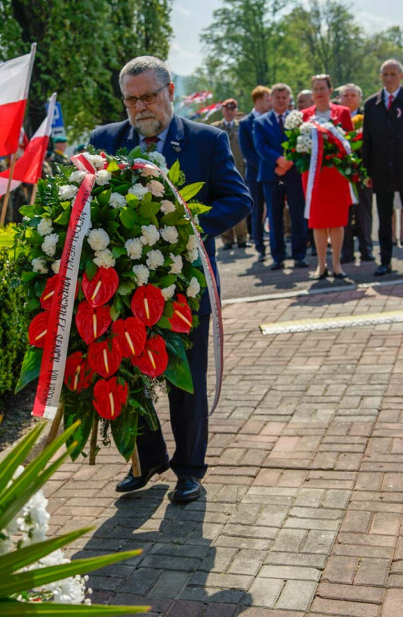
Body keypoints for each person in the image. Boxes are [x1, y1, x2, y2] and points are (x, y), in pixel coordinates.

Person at [89, 55, 251, 504]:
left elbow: (238, 201)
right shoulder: (104, 142)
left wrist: (189, 224)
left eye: (148, 96)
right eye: (131, 99)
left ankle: (189, 469)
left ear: (171, 93)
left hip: (186, 285)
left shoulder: (206, 141)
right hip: (123, 286)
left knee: (186, 379)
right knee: (129, 373)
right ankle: (148, 457)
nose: (140, 107)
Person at [361, 59, 403, 277]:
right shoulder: (372, 104)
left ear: (402, 76)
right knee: (384, 217)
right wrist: (367, 171)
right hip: (381, 169)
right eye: (385, 74)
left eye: (393, 74)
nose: (389, 78)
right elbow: (367, 141)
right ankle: (385, 261)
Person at [300, 75, 355, 280]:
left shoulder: (342, 113)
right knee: (319, 221)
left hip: (336, 175)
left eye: (322, 88)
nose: (319, 92)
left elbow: (349, 143)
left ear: (330, 91)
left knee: (337, 221)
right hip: (314, 176)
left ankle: (337, 264)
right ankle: (321, 265)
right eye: (315, 89)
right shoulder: (304, 116)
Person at [253, 83, 310, 271]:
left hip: (293, 174)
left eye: (285, 97)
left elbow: (303, 143)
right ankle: (278, 257)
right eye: (277, 97)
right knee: (275, 216)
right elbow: (260, 147)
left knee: (297, 214)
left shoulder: (299, 120)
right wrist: (278, 160)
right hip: (272, 174)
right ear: (271, 99)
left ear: (289, 99)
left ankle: (299, 255)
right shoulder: (261, 122)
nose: (281, 100)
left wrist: (288, 162)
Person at [337, 83, 374, 264]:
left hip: (362, 172)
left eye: (353, 95)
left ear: (359, 98)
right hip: (341, 173)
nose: (349, 98)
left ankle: (366, 249)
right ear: (339, 98)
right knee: (344, 213)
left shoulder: (368, 118)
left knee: (364, 212)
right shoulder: (334, 119)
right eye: (346, 95)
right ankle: (346, 251)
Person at [212, 98, 249, 249]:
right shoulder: (216, 127)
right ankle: (227, 240)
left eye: (232, 110)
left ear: (235, 111)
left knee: (240, 204)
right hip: (221, 171)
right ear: (223, 111)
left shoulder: (242, 127)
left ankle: (242, 239)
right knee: (223, 204)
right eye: (227, 110)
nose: (229, 112)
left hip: (240, 169)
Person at [239, 86, 271, 261]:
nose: (270, 103)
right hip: (255, 174)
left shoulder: (271, 119)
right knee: (258, 210)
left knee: (274, 210)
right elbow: (246, 151)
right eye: (267, 99)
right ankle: (260, 247)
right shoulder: (245, 123)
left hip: (272, 174)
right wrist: (266, 165)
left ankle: (275, 245)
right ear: (258, 100)